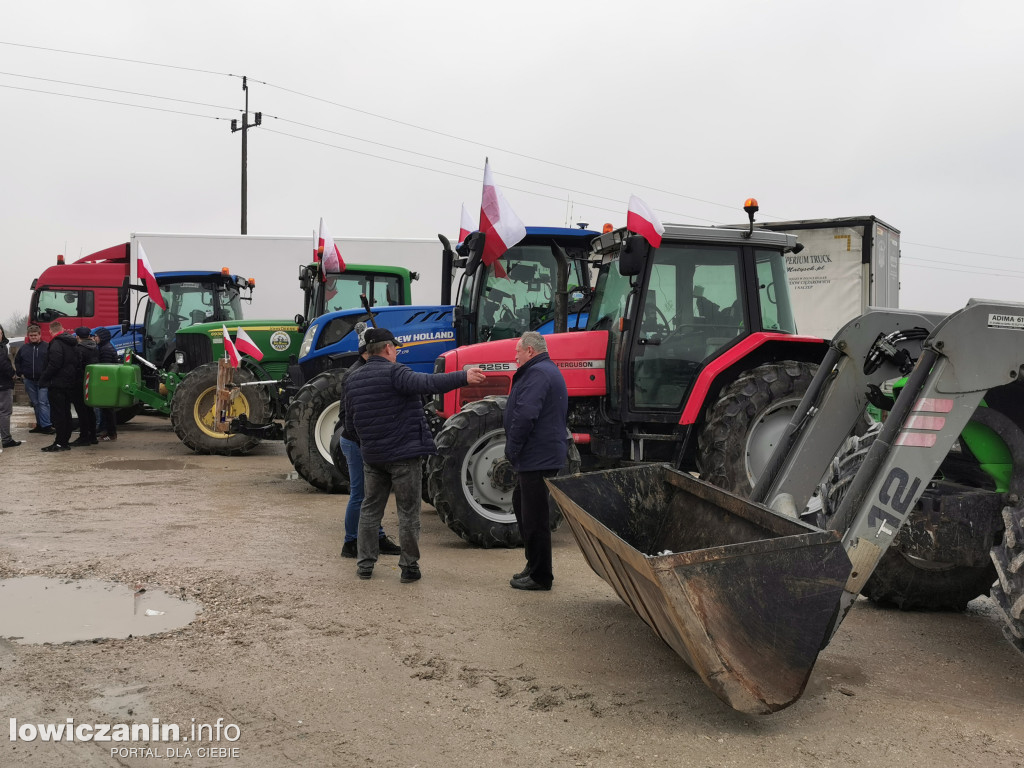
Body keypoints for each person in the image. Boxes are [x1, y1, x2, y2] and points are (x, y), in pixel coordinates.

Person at [344, 327, 486, 583]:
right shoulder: (396, 373)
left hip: (373, 457)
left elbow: (350, 425)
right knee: (408, 512)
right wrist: (464, 376)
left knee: (370, 509)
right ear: (388, 348)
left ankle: (365, 564)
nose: (396, 351)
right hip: (403, 457)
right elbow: (430, 383)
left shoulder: (353, 379)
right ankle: (409, 568)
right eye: (395, 347)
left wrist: (370, 443)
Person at [504, 331, 569, 591]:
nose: (515, 356)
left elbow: (526, 413)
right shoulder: (542, 371)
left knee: (534, 517)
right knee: (522, 505)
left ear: (530, 350)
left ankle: (541, 576)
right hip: (538, 454)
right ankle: (533, 565)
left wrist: (512, 448)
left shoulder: (538, 373)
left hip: (536, 455)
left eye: (517, 351)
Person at [331, 324, 401, 559]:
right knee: (360, 494)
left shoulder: (365, 369)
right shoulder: (354, 374)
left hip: (363, 440)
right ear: (366, 351)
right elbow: (346, 416)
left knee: (373, 494)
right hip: (355, 441)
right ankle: (350, 542)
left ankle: (376, 536)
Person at [38, 321, 80, 451]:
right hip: (69, 383)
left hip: (57, 384)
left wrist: (44, 378)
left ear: (51, 331)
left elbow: (54, 363)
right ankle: (64, 441)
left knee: (59, 414)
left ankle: (60, 442)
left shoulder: (56, 343)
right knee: (66, 413)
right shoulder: (73, 343)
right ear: (63, 329)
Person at [14, 324, 52, 435]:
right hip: (29, 380)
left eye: (35, 335)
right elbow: (17, 361)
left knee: (43, 402)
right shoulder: (24, 348)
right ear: (28, 336)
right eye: (31, 335)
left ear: (40, 335)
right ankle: (40, 425)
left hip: (43, 380)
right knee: (35, 403)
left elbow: (52, 362)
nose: (33, 337)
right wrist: (20, 373)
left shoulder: (47, 347)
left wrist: (48, 375)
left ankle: (47, 425)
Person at [69, 326, 98, 446]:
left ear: (77, 337)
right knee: (90, 410)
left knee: (81, 411)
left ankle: (84, 436)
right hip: (92, 382)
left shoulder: (78, 349)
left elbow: (76, 367)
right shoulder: (96, 348)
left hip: (79, 383)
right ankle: (93, 436)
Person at [92, 327, 119, 441]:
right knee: (107, 410)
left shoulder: (105, 349)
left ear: (102, 337)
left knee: (107, 410)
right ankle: (108, 432)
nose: (95, 338)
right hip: (109, 382)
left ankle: (110, 433)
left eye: (96, 336)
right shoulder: (105, 347)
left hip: (106, 383)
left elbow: (105, 368)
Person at [0, 324, 21, 448]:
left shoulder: (3, 346)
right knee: (5, 412)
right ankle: (7, 439)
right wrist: (13, 374)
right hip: (3, 384)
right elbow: (2, 363)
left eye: (0, 333)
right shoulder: (1, 348)